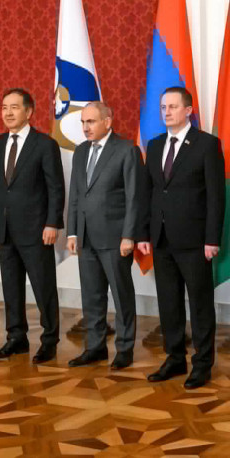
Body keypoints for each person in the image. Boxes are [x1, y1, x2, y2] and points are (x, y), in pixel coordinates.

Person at [138, 87, 225, 389]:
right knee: (169, 303)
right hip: (161, 239)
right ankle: (174, 358)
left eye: (173, 107)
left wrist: (212, 238)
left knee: (200, 304)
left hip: (195, 241)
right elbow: (148, 193)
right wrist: (143, 233)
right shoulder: (155, 144)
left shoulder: (206, 144)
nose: (167, 112)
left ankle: (202, 364)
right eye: (163, 107)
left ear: (188, 110)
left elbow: (216, 196)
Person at [0, 88, 65, 364]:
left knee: (44, 287)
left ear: (28, 112)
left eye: (14, 107)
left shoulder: (44, 144)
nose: (7, 112)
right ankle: (16, 338)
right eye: (4, 107)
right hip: (4, 229)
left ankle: (49, 341)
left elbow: (56, 188)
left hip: (37, 230)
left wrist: (52, 223)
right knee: (11, 287)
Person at [66, 102, 144, 370]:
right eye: (83, 122)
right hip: (85, 237)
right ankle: (95, 347)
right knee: (92, 296)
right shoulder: (80, 151)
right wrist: (73, 231)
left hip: (115, 238)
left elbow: (134, 197)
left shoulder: (126, 150)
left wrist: (129, 235)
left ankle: (124, 349)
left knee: (122, 296)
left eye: (91, 122)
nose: (86, 127)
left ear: (107, 121)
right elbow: (76, 195)